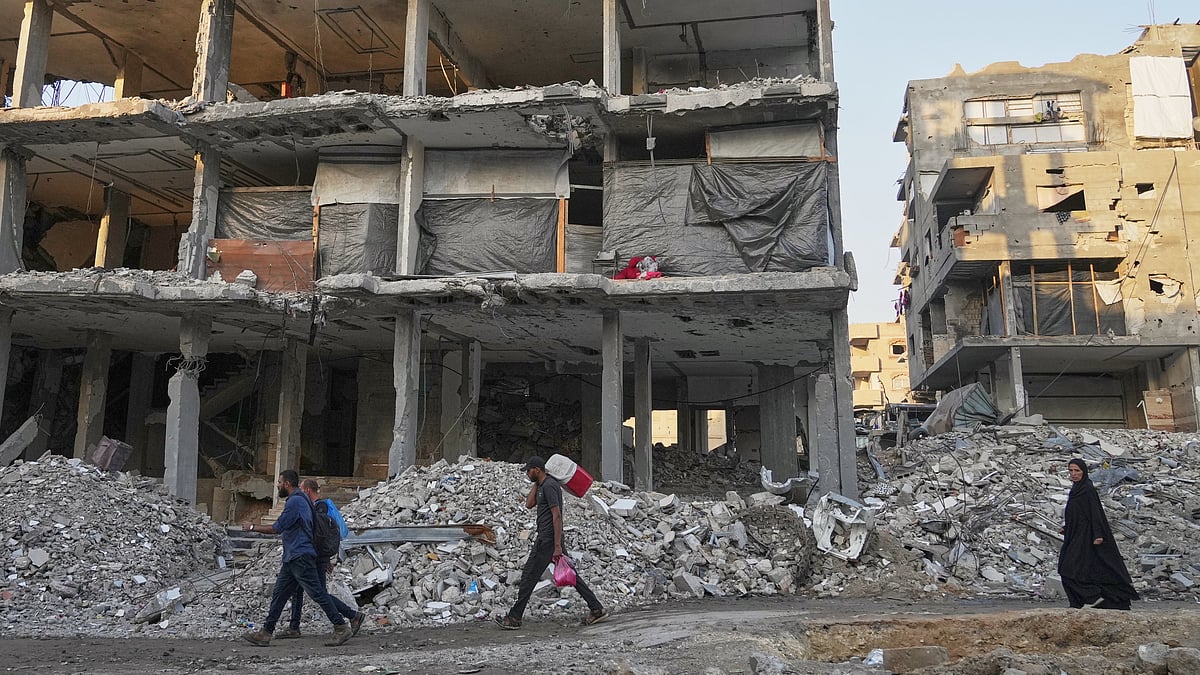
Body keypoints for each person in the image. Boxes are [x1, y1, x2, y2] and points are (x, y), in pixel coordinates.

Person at [240, 470, 354, 646]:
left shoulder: (295, 502)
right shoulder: (303, 500)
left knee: (317, 592)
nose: (277, 485)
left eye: (279, 482)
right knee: (279, 594)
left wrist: (252, 527)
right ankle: (266, 632)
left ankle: (341, 626)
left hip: (300, 555)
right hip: (293, 556)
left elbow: (277, 528)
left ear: (287, 484)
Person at [495, 456, 608, 630]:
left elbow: (557, 516)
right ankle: (596, 608)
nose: (527, 473)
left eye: (529, 470)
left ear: (537, 470)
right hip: (548, 539)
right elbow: (529, 504)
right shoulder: (542, 486)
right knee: (572, 576)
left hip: (548, 540)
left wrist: (556, 546)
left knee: (529, 577)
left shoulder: (549, 487)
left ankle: (514, 617)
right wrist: (536, 483)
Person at [277, 478, 364, 640]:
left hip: (314, 557)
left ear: (308, 490)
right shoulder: (311, 507)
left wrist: (325, 559)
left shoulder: (318, 508)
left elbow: (319, 535)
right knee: (299, 591)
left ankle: (352, 616)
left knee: (318, 593)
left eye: (302, 489)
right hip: (309, 556)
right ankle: (294, 626)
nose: (300, 493)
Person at [1057, 458, 1139, 610]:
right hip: (1074, 534)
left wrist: (1098, 535)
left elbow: (1095, 513)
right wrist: (1067, 527)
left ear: (1084, 472)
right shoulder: (1076, 489)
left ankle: (1093, 597)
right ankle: (1076, 603)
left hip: (1086, 536)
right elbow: (1077, 513)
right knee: (1067, 568)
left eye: (1077, 471)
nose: (1074, 474)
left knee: (1069, 568)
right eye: (1071, 470)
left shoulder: (1087, 490)